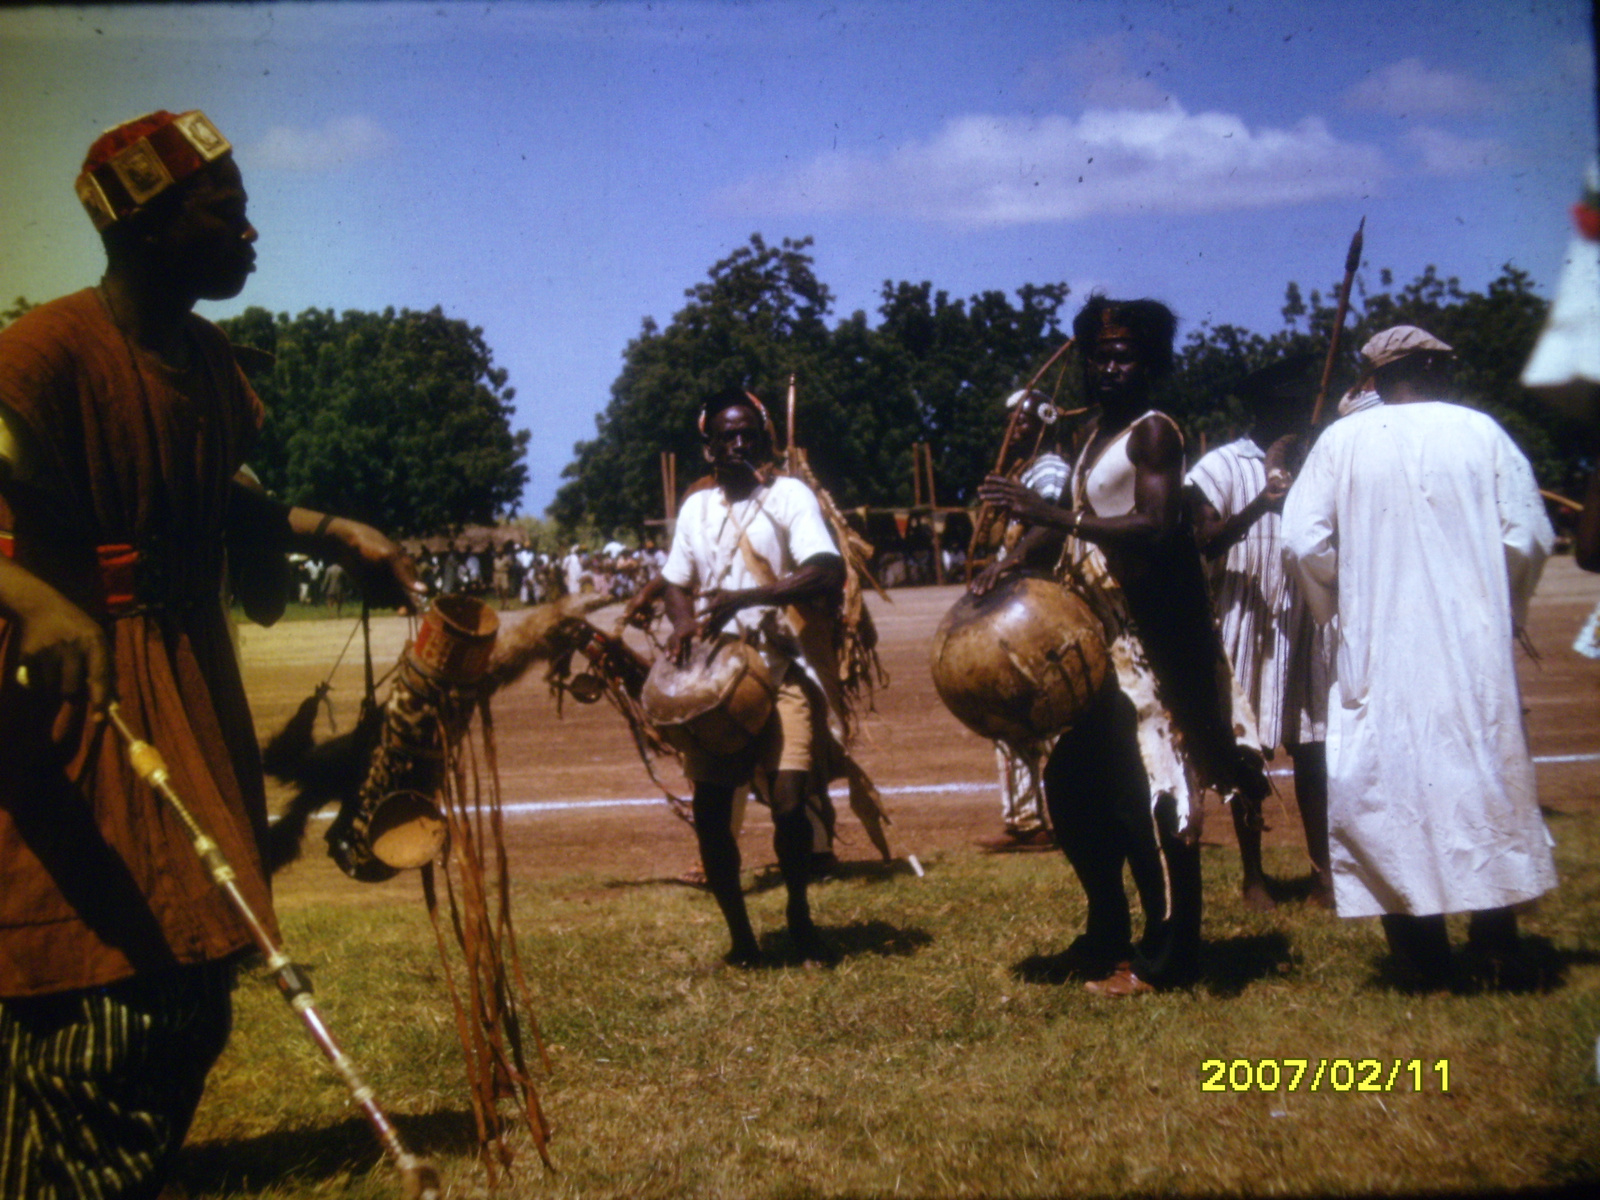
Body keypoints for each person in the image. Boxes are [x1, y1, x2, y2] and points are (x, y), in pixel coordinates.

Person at [0, 109, 422, 1197]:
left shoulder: (204, 360)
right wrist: (35, 603)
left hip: (184, 675)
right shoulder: (44, 351)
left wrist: (327, 532)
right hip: (78, 696)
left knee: (187, 960)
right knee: (119, 976)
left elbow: (209, 492)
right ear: (147, 226)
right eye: (224, 210)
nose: (249, 232)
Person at [979, 296, 1267, 997]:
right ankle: (1109, 931)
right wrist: (1014, 556)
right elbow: (1075, 524)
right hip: (1102, 647)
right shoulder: (1094, 439)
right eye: (1099, 355)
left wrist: (1052, 513)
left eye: (1125, 355)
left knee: (1160, 800)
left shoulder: (1153, 434)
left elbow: (1158, 525)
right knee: (1073, 791)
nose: (1110, 367)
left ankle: (1171, 960)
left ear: (1151, 363)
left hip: (1150, 649)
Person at [1282, 325, 1558, 989]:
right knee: (1481, 779)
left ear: (1372, 376)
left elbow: (1299, 542)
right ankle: (1495, 945)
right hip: (1470, 651)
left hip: (1377, 650)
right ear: (1433, 366)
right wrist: (1499, 608)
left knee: (1386, 788)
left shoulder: (1340, 442)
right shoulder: (1480, 432)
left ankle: (1422, 954)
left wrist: (1340, 605)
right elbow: (1528, 536)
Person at [661, 387, 845, 965]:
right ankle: (741, 936)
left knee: (790, 802)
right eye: (726, 435)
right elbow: (675, 579)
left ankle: (798, 912)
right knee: (713, 817)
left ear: (762, 437)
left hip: (779, 666)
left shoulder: (789, 496)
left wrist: (749, 596)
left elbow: (825, 569)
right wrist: (686, 625)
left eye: (747, 433)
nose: (738, 443)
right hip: (715, 682)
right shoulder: (696, 508)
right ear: (709, 446)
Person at [1186, 353, 1332, 910]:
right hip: (1243, 619)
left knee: (1314, 750)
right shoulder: (1220, 466)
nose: (1297, 411)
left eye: (1302, 402)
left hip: (1305, 621)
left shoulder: (1317, 462)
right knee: (1246, 753)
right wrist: (1258, 506)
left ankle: (1322, 874)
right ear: (1263, 407)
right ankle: (1254, 875)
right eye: (1286, 403)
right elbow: (1200, 543)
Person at [972, 387, 1072, 847]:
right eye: (1010, 421)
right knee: (1017, 710)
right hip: (1018, 605)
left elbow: (1049, 527)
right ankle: (1028, 817)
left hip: (1035, 605)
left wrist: (1008, 565)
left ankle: (1043, 817)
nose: (1012, 430)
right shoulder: (1026, 471)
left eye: (1023, 422)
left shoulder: (1050, 469)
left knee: (1037, 710)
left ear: (1044, 425)